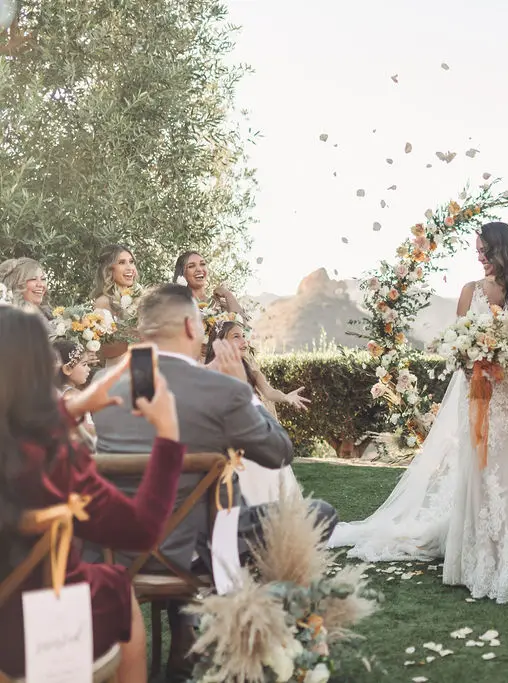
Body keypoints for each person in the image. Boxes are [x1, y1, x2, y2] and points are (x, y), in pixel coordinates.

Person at [89, 284, 337, 681]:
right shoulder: (220, 389)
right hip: (198, 552)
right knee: (318, 512)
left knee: (186, 513)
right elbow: (279, 453)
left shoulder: (105, 386)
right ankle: (258, 636)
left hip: (119, 551)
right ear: (191, 326)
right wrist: (243, 388)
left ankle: (187, 635)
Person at [331, 222, 508, 609]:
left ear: (504, 249)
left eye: (486, 251)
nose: (480, 257)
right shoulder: (470, 291)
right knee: (481, 466)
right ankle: (483, 552)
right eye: (477, 251)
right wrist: (474, 360)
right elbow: (458, 345)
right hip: (480, 389)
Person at [0, 306, 184, 683]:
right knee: (116, 586)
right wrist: (167, 435)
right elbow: (142, 530)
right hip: (36, 630)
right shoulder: (58, 461)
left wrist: (75, 406)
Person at [205, 319, 309, 504]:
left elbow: (269, 392)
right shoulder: (209, 373)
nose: (243, 341)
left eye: (243, 336)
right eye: (236, 336)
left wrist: (286, 397)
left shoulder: (252, 373)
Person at [92, 244, 142, 364]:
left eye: (131, 262)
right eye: (122, 262)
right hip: (119, 368)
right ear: (109, 269)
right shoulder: (103, 302)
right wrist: (138, 335)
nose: (130, 268)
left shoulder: (141, 296)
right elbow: (104, 351)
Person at [53, 339, 97, 446]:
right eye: (84, 364)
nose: (88, 369)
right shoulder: (74, 396)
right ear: (68, 368)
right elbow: (86, 430)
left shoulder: (53, 391)